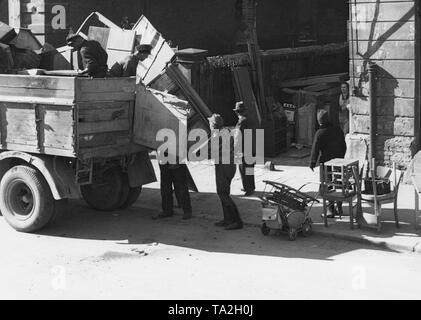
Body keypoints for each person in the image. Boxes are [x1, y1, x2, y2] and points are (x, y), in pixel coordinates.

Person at [310, 110, 347, 218]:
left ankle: (330, 210)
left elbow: (315, 150)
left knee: (328, 186)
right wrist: (340, 157)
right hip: (339, 162)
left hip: (326, 163)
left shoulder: (319, 133)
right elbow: (344, 146)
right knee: (339, 183)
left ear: (319, 121)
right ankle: (339, 208)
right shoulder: (338, 130)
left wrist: (312, 162)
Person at [209, 114, 243, 230]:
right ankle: (228, 219)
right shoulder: (226, 131)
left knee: (223, 194)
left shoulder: (218, 135)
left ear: (214, 125)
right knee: (224, 193)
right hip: (229, 165)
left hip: (224, 166)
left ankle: (237, 221)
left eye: (211, 123)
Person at [234, 101, 255, 197]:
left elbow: (238, 136)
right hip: (251, 147)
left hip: (243, 149)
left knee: (243, 169)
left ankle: (248, 188)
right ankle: (251, 187)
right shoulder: (250, 119)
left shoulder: (241, 122)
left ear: (237, 112)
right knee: (250, 169)